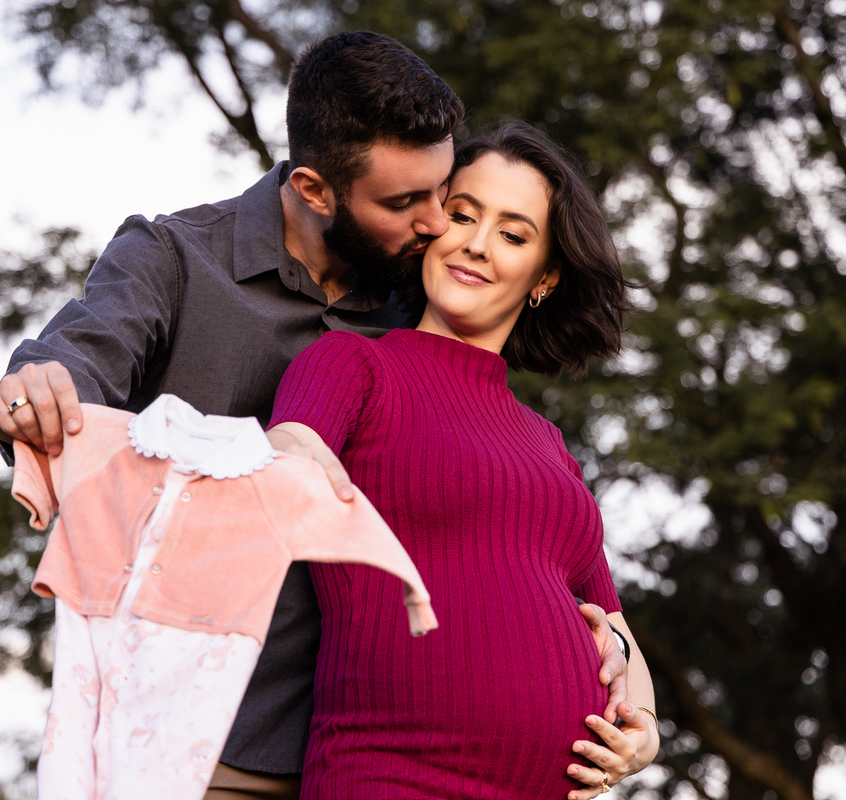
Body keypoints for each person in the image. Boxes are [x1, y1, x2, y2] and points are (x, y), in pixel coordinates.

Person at [0, 32, 641, 799]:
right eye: (408, 203)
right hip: (207, 746)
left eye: (443, 193)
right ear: (316, 189)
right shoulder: (175, 260)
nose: (439, 224)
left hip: (355, 736)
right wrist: (32, 394)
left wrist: (622, 673)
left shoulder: (413, 293)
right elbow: (71, 376)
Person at [268, 121, 659, 800]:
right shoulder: (355, 363)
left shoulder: (546, 443)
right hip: (389, 773)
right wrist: (294, 451)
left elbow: (614, 627)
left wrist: (645, 729)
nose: (477, 244)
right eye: (463, 214)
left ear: (545, 277)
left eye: (513, 234)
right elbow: (288, 449)